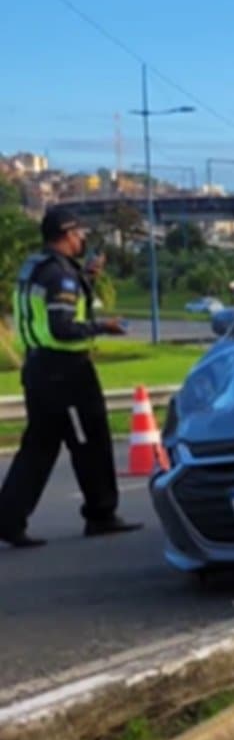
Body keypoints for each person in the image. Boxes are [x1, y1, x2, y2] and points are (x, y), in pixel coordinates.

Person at [0, 206, 142, 548]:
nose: (82, 239)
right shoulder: (60, 275)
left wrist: (88, 278)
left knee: (39, 446)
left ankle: (8, 518)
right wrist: (103, 326)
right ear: (66, 234)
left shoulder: (38, 268)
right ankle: (101, 514)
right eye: (79, 233)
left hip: (39, 370)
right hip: (66, 373)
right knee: (89, 441)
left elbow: (55, 309)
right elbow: (62, 328)